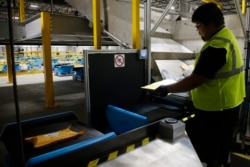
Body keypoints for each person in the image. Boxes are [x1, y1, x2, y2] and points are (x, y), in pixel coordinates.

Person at [153, 2, 245, 167]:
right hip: (230, 103)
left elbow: (196, 79)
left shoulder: (216, 46)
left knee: (210, 151)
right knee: (223, 148)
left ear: (210, 24)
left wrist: (166, 89)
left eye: (199, 26)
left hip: (216, 109)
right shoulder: (226, 36)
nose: (198, 30)